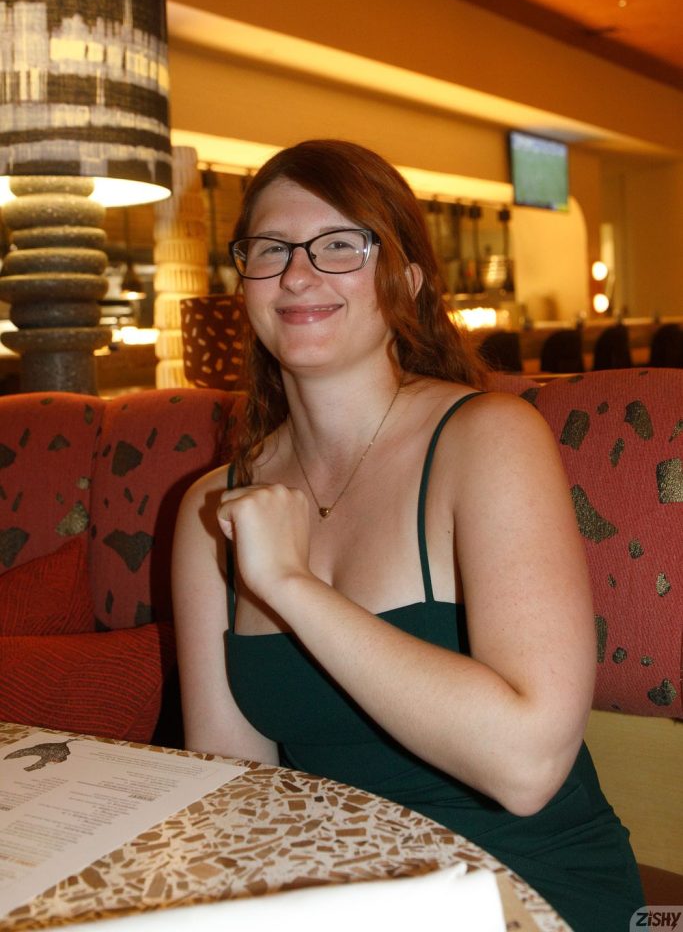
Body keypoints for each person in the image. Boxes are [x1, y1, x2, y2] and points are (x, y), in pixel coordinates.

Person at [172, 139, 644, 931]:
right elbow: (235, 790)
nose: (297, 273)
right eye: (270, 249)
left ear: (406, 278)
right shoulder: (213, 509)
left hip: (522, 886)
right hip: (337, 896)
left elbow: (525, 767)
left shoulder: (488, 438)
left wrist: (292, 587)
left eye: (339, 246)